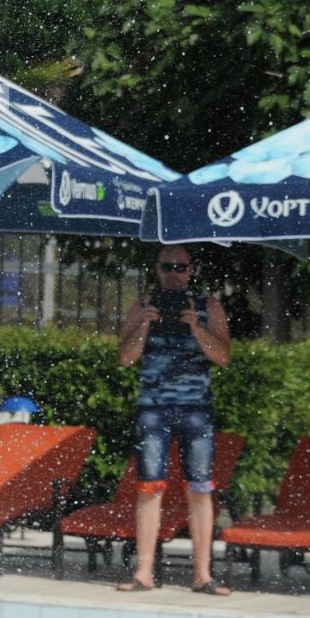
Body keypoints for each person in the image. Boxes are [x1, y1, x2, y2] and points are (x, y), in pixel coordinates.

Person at [116, 246, 232, 595]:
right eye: (167, 266)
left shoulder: (208, 306)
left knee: (200, 489)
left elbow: (223, 356)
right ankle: (144, 573)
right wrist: (144, 325)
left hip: (196, 409)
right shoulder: (140, 305)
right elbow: (125, 358)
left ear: (191, 269)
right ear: (157, 268)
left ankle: (202, 575)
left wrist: (197, 328)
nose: (174, 273)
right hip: (153, 408)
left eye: (180, 267)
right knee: (149, 488)